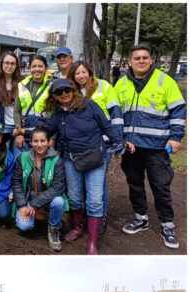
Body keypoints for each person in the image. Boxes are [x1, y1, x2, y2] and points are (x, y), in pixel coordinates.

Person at [113, 44, 185, 249]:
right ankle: (141, 217)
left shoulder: (165, 81)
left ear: (151, 60)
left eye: (145, 57)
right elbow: (115, 112)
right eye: (137, 58)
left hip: (157, 146)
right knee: (134, 183)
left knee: (160, 185)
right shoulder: (121, 83)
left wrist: (176, 137)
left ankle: (167, 224)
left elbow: (179, 110)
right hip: (131, 146)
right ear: (129, 62)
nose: (141, 61)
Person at [44, 77, 122, 254]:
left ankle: (92, 241)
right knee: (74, 198)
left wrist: (119, 141)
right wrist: (23, 134)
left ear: (73, 90)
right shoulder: (57, 115)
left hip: (95, 159)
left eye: (66, 90)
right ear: (54, 96)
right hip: (71, 160)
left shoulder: (89, 105)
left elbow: (106, 125)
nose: (64, 94)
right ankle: (78, 228)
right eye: (59, 92)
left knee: (94, 200)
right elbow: (46, 131)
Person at [68, 61, 123, 235]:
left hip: (104, 144)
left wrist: (117, 140)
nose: (81, 76)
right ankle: (87, 216)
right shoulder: (72, 91)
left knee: (98, 183)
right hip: (81, 145)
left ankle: (101, 216)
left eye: (84, 72)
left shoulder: (104, 86)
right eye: (77, 73)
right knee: (83, 182)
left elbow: (116, 113)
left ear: (90, 72)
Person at [11, 126, 66, 250]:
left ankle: (53, 229)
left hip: (47, 201)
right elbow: (16, 182)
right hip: (27, 200)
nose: (39, 144)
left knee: (59, 202)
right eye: (35, 141)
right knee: (24, 226)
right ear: (30, 142)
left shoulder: (57, 160)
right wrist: (23, 205)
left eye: (42, 141)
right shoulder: (23, 158)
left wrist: (33, 205)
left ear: (48, 142)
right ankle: (31, 218)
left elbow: (57, 188)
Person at [15, 55, 52, 150]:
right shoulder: (21, 85)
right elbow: (17, 111)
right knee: (21, 162)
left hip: (44, 137)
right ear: (29, 67)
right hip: (24, 135)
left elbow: (55, 114)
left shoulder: (51, 87)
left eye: (40, 66)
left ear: (46, 68)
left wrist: (52, 139)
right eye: (34, 66)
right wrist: (19, 134)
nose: (37, 69)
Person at [0, 52, 22, 149]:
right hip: (3, 125)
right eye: (6, 63)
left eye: (12, 63)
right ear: (1, 64)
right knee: (3, 155)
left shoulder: (22, 82)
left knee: (19, 156)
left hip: (18, 126)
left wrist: (21, 129)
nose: (9, 66)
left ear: (16, 66)